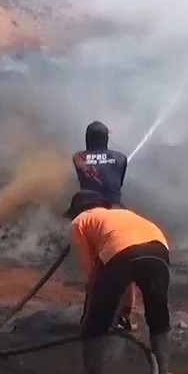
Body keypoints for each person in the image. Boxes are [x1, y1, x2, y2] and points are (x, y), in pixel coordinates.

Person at [63, 189, 178, 374]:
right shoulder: (124, 214)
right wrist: (126, 308)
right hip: (158, 250)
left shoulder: (80, 221)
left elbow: (92, 271)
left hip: (120, 254)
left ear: (78, 210)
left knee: (94, 323)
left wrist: (98, 306)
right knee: (158, 315)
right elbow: (131, 270)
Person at [71, 121, 137, 330]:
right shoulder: (120, 157)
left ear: (87, 139)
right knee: (126, 264)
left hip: (91, 215)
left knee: (95, 267)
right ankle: (124, 316)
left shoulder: (78, 157)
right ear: (107, 139)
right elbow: (118, 182)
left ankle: (89, 315)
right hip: (118, 214)